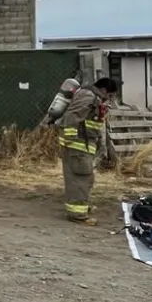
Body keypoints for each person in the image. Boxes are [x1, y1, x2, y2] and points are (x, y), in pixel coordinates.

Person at [56, 77, 118, 225]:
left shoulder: (92, 97)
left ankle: (82, 207)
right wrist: (71, 140)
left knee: (86, 179)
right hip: (78, 146)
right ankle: (77, 216)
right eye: (109, 95)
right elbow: (72, 116)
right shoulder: (88, 96)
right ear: (103, 90)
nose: (109, 99)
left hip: (83, 146)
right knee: (80, 179)